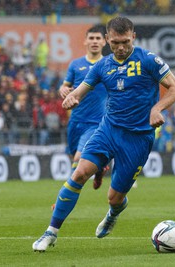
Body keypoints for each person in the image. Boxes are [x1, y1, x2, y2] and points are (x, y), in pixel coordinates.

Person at [32, 16, 175, 252]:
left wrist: (157, 108)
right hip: (108, 130)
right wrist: (73, 97)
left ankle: (113, 213)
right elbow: (81, 90)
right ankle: (51, 232)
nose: (120, 47)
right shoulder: (102, 65)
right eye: (115, 43)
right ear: (106, 40)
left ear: (133, 36)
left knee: (114, 197)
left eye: (124, 42)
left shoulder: (149, 60)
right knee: (80, 173)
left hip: (138, 139)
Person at [58, 25, 109, 190]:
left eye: (98, 38)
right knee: (73, 155)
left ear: (104, 41)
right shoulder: (75, 64)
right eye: (91, 38)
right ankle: (100, 169)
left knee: (78, 158)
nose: (94, 41)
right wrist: (63, 90)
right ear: (85, 41)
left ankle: (64, 197)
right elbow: (64, 86)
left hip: (96, 122)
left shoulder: (108, 64)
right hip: (76, 121)